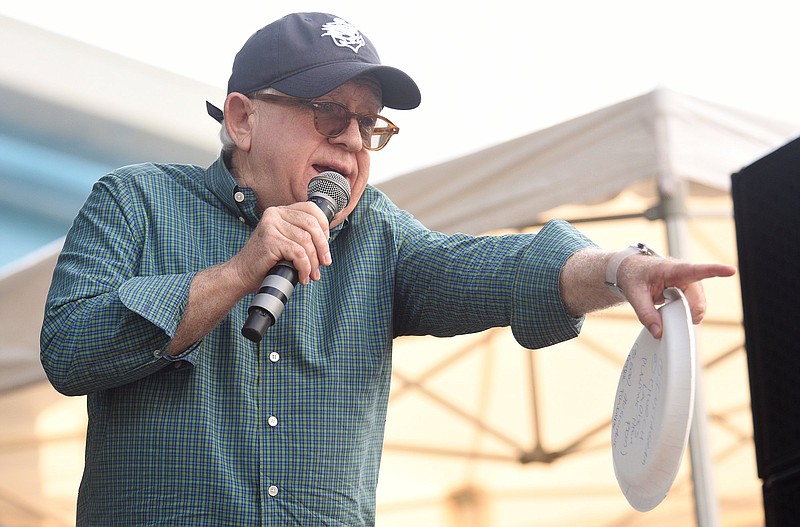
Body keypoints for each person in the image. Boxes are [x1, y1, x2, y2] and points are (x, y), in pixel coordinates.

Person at [40, 11, 736, 527]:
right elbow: (69, 350)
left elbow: (490, 267)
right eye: (327, 113)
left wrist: (616, 269)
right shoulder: (136, 200)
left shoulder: (376, 235)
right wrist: (240, 270)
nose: (350, 139)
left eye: (368, 126)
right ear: (243, 118)